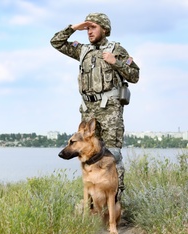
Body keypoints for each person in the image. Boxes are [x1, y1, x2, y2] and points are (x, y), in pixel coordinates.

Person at [50, 13, 140, 201]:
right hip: (88, 110)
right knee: (87, 155)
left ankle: (115, 202)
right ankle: (91, 204)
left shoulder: (116, 49)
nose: (89, 31)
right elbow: (56, 42)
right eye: (87, 28)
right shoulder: (83, 50)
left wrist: (116, 62)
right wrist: (74, 27)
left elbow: (135, 75)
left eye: (93, 27)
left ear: (104, 29)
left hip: (110, 111)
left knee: (112, 156)